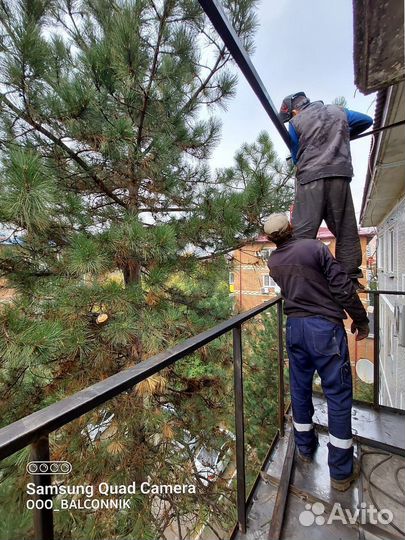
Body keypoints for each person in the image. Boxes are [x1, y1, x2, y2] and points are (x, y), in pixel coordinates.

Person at [264, 212, 369, 491]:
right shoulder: (314, 248)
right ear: (292, 227)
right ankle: (341, 472)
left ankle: (305, 450)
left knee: (299, 389)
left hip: (295, 328)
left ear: (272, 239)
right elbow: (343, 288)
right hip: (323, 330)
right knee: (337, 394)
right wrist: (360, 319)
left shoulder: (273, 262)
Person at [278, 92, 373, 290]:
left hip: (310, 179)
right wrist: (343, 134)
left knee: (302, 232)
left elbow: (296, 156)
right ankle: (351, 278)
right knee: (345, 227)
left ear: (294, 110)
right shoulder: (338, 111)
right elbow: (367, 120)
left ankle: (299, 281)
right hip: (339, 175)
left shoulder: (296, 122)